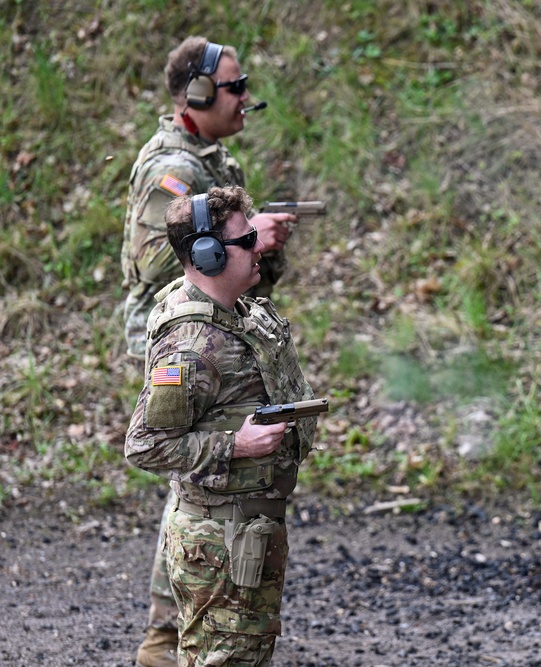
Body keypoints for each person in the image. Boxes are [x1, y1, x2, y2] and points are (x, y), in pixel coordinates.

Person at [121, 36, 296, 666]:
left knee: (203, 488)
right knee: (197, 487)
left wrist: (256, 245)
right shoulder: (174, 166)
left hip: (213, 324)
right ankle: (170, 638)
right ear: (196, 95)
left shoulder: (217, 159)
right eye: (235, 87)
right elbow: (146, 262)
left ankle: (184, 633)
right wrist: (221, 252)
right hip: (182, 338)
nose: (248, 97)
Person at [124, 186, 317, 666]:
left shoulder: (234, 313)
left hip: (244, 528)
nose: (258, 246)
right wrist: (236, 445)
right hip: (221, 542)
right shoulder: (193, 346)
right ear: (207, 257)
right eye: (245, 240)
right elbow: (145, 445)